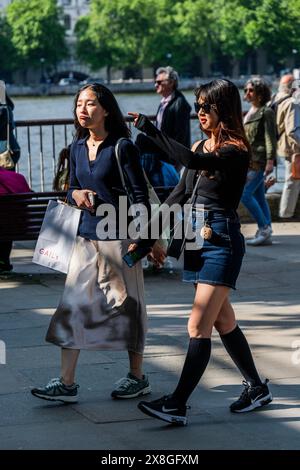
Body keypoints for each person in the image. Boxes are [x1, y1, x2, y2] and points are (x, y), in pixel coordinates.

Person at [128, 79, 272, 426]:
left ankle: (177, 404)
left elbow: (191, 158)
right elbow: (177, 197)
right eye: (198, 105)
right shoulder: (201, 144)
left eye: (207, 106)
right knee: (223, 320)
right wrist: (147, 240)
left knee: (197, 325)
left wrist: (149, 129)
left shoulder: (234, 150)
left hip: (221, 241)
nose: (200, 112)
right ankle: (256, 387)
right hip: (195, 240)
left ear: (224, 109)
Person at [31, 83, 152, 403]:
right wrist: (76, 194)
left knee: (128, 308)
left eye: (90, 104)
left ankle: (137, 376)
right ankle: (67, 382)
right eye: (79, 104)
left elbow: (140, 196)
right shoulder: (76, 147)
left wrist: (143, 238)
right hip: (84, 238)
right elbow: (70, 186)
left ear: (106, 109)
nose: (83, 110)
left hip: (120, 238)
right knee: (72, 307)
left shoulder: (123, 147)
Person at [136, 66, 191, 186]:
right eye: (155, 82)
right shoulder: (165, 102)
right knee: (139, 141)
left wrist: (177, 161)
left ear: (171, 83)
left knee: (141, 140)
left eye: (159, 82)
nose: (156, 85)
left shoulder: (180, 104)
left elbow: (181, 135)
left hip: (169, 150)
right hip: (162, 145)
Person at [241, 78, 277, 246]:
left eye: (250, 90)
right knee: (259, 196)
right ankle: (267, 230)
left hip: (259, 161)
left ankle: (264, 228)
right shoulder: (250, 111)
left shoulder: (266, 112)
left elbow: (271, 139)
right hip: (250, 160)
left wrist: (270, 161)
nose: (247, 93)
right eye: (246, 90)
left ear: (260, 94)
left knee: (245, 194)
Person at [272, 74, 300, 219]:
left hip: (282, 146)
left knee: (292, 179)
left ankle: (286, 213)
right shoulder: (292, 102)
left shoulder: (275, 97)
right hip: (293, 148)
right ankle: (286, 214)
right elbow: (292, 130)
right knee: (292, 181)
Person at [0, 167, 31, 273]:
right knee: (8, 220)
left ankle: (3, 262)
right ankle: (4, 262)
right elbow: (29, 197)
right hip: (19, 227)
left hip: (5, 226)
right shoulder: (18, 177)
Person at [0, 87, 21, 168]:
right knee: (9, 179)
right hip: (11, 150)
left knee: (6, 180)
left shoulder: (2, 111)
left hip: (5, 152)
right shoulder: (7, 108)